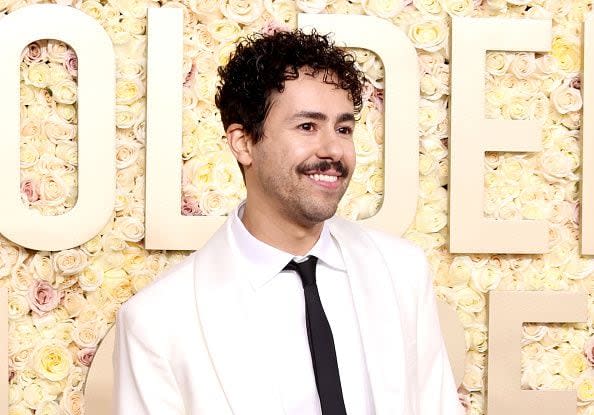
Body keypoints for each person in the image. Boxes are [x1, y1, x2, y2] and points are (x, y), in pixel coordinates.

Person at [113, 29, 463, 415]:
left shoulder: (402, 271)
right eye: (307, 126)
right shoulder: (157, 320)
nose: (333, 150)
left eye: (343, 129)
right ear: (243, 143)